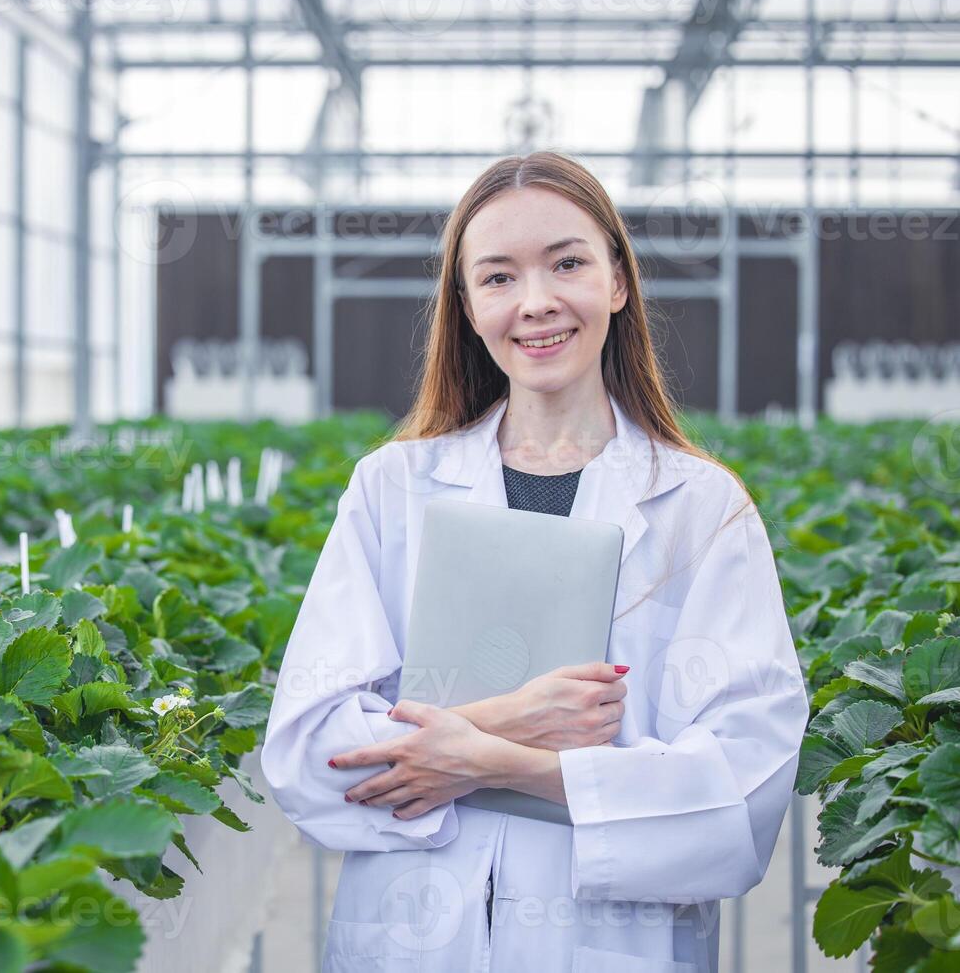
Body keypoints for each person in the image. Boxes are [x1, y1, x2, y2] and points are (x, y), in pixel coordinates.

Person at [259, 151, 809, 973]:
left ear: (618, 282)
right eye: (499, 277)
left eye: (567, 263)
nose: (537, 302)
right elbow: (307, 756)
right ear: (469, 306)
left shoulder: (703, 511)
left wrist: (497, 765)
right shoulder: (392, 489)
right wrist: (510, 718)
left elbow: (741, 792)